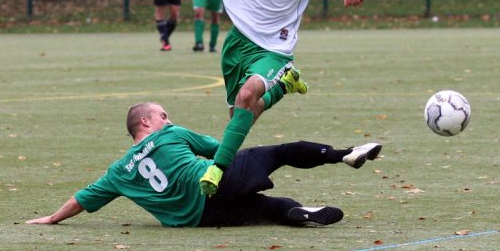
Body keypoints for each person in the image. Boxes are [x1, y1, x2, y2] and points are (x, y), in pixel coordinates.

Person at [118, 0, 370, 195]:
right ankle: (283, 87)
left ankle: (217, 171)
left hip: (275, 47)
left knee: (246, 97)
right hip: (237, 42)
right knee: (240, 116)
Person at [25, 102, 382, 228]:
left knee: (268, 208)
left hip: (197, 219)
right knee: (280, 152)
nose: (169, 118)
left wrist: (51, 218)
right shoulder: (169, 134)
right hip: (213, 183)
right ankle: (345, 154)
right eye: (163, 115)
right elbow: (222, 151)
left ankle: (297, 212)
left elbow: (83, 199)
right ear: (147, 123)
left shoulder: (118, 172)